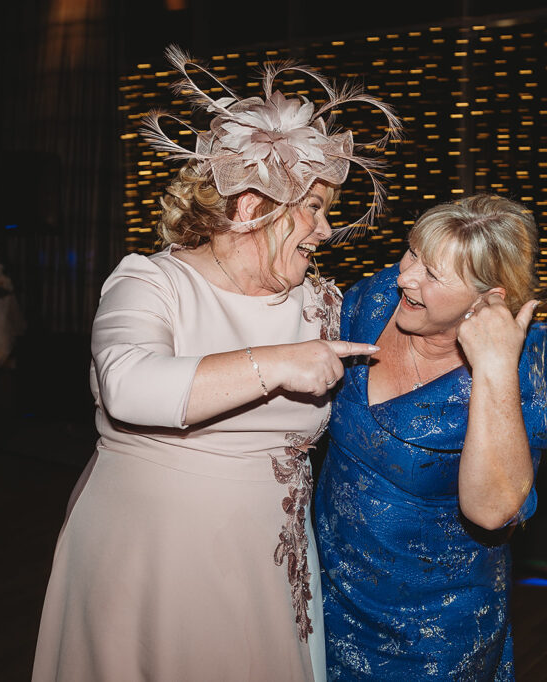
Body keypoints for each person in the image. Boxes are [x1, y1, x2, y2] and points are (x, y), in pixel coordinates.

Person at [32, 46, 399, 682]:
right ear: (250, 207)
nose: (324, 231)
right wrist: (278, 362)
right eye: (312, 208)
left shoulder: (325, 303)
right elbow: (128, 386)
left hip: (267, 560)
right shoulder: (150, 283)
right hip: (148, 558)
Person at [314, 194, 547, 681]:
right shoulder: (377, 297)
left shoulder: (517, 366)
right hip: (323, 591)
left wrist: (493, 367)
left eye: (433, 274)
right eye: (412, 253)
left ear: (488, 297)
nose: (406, 275)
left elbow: (493, 512)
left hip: (430, 631)